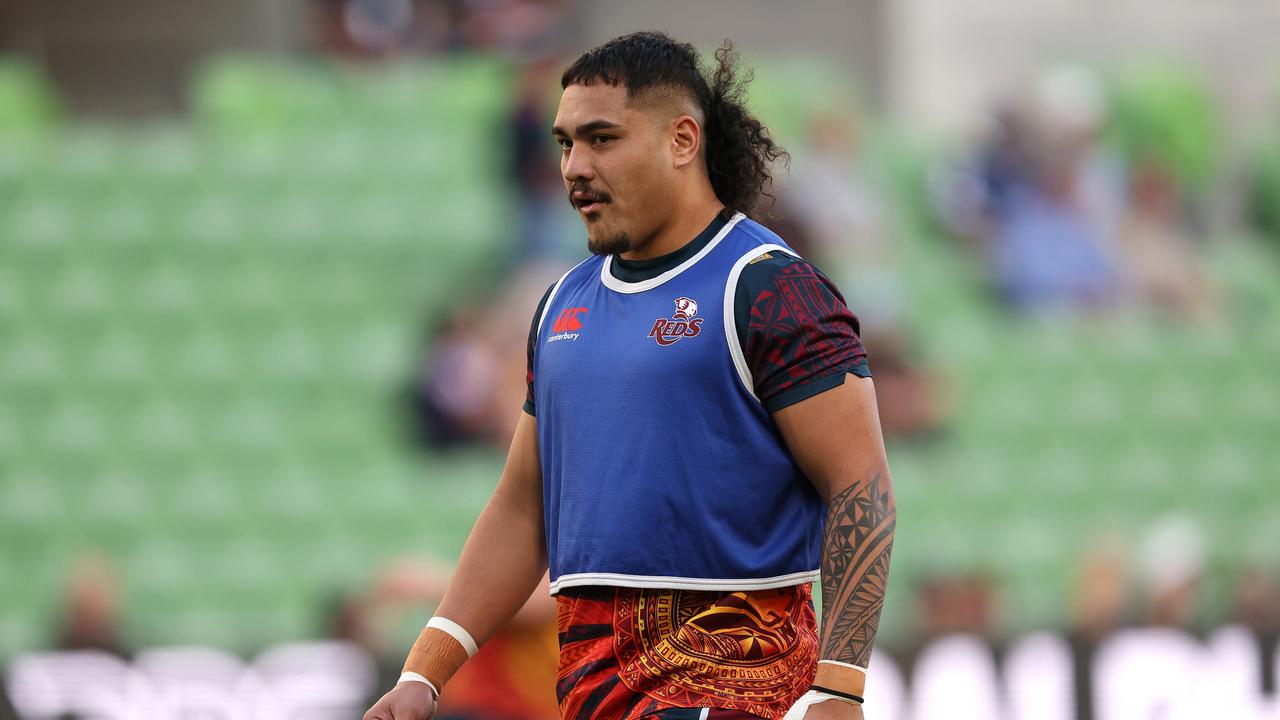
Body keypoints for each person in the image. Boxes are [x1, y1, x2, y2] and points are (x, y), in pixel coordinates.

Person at [364, 31, 896, 720]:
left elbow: (861, 485)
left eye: (602, 139)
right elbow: (524, 508)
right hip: (594, 701)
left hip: (736, 695)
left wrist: (841, 686)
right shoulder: (559, 306)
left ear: (682, 140)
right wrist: (424, 673)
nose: (574, 167)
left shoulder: (766, 289)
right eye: (564, 144)